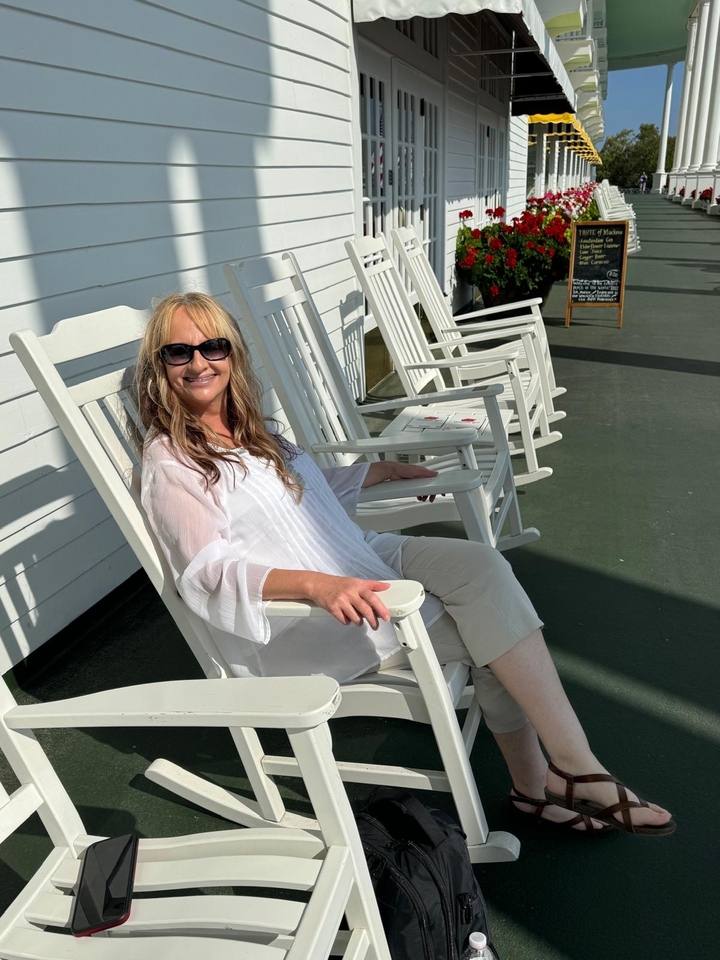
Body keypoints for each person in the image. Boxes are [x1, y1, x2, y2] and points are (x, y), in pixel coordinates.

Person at [137, 292, 675, 837]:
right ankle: (548, 784)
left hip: (355, 559)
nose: (199, 362)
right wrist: (315, 587)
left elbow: (292, 498)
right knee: (493, 641)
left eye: (213, 345)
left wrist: (373, 472)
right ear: (159, 367)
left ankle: (569, 770)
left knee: (482, 567)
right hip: (309, 619)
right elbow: (205, 572)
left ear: (233, 354)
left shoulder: (249, 428)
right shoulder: (172, 462)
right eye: (178, 352)